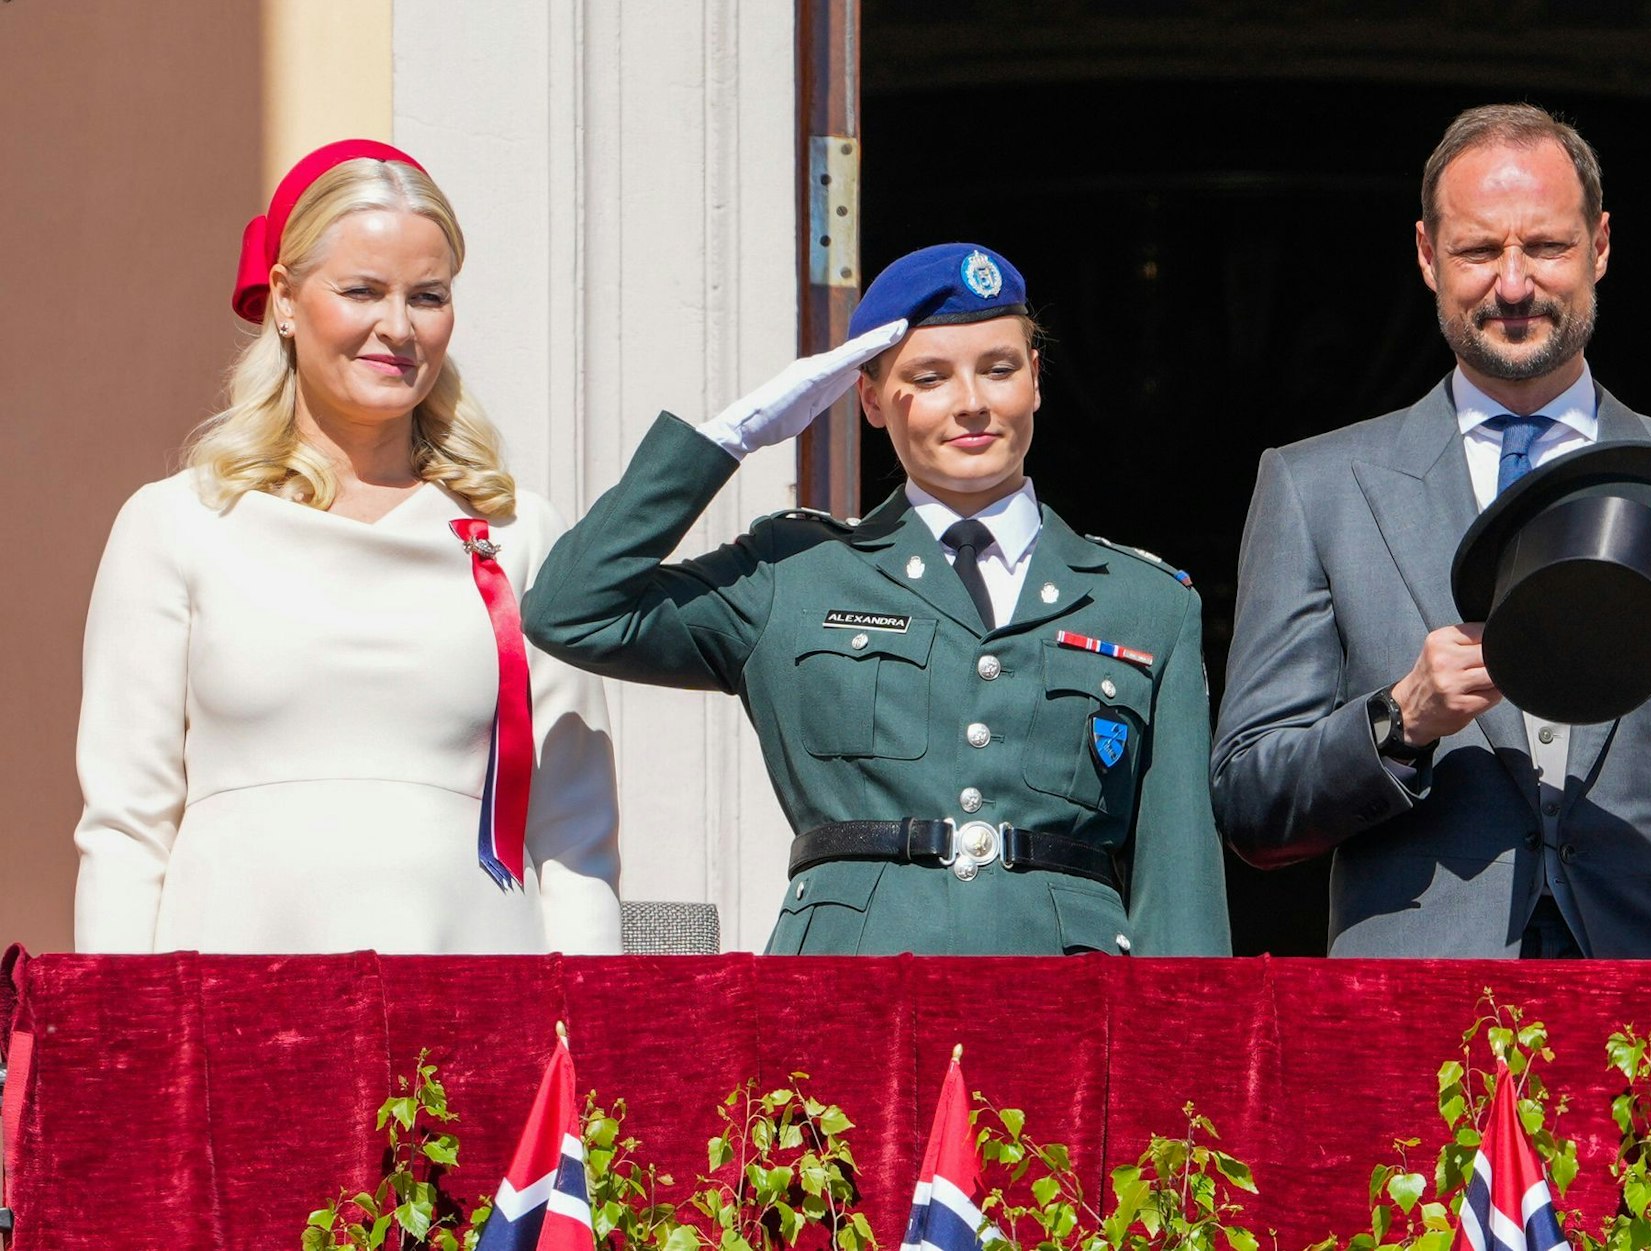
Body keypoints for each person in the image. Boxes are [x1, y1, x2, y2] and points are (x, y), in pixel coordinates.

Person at [1209, 104, 1651, 959]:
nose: (1513, 283)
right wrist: (1401, 719)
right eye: (1478, 250)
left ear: (1601, 245)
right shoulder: (1317, 488)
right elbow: (1252, 804)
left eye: (1545, 246)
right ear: (1428, 256)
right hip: (1413, 1028)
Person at [523, 243, 1230, 956]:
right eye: (930, 377)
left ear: (1037, 380)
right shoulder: (795, 573)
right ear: (867, 397)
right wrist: (730, 437)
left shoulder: (1146, 604)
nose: (973, 403)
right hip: (843, 997)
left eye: (999, 369)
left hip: (1065, 1008)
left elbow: (1180, 893)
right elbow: (571, 608)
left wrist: (1184, 1057)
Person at [73, 140, 622, 954]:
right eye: (363, 290)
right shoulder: (177, 524)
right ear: (286, 300)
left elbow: (575, 836)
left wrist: (587, 1039)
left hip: (473, 1004)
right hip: (234, 1004)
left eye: (427, 296)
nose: (397, 328)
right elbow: (125, 826)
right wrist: (121, 1049)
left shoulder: (521, 535)